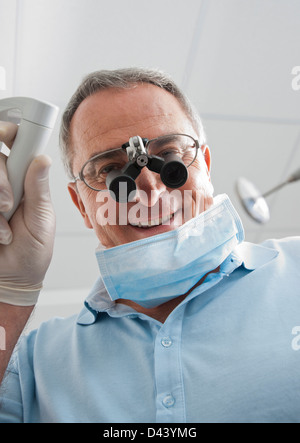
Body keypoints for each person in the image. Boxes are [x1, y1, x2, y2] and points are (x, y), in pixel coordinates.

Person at [0, 68, 299, 424]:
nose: (151, 191)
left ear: (203, 164)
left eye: (169, 155)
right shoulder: (33, 364)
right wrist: (9, 295)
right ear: (81, 205)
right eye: (111, 170)